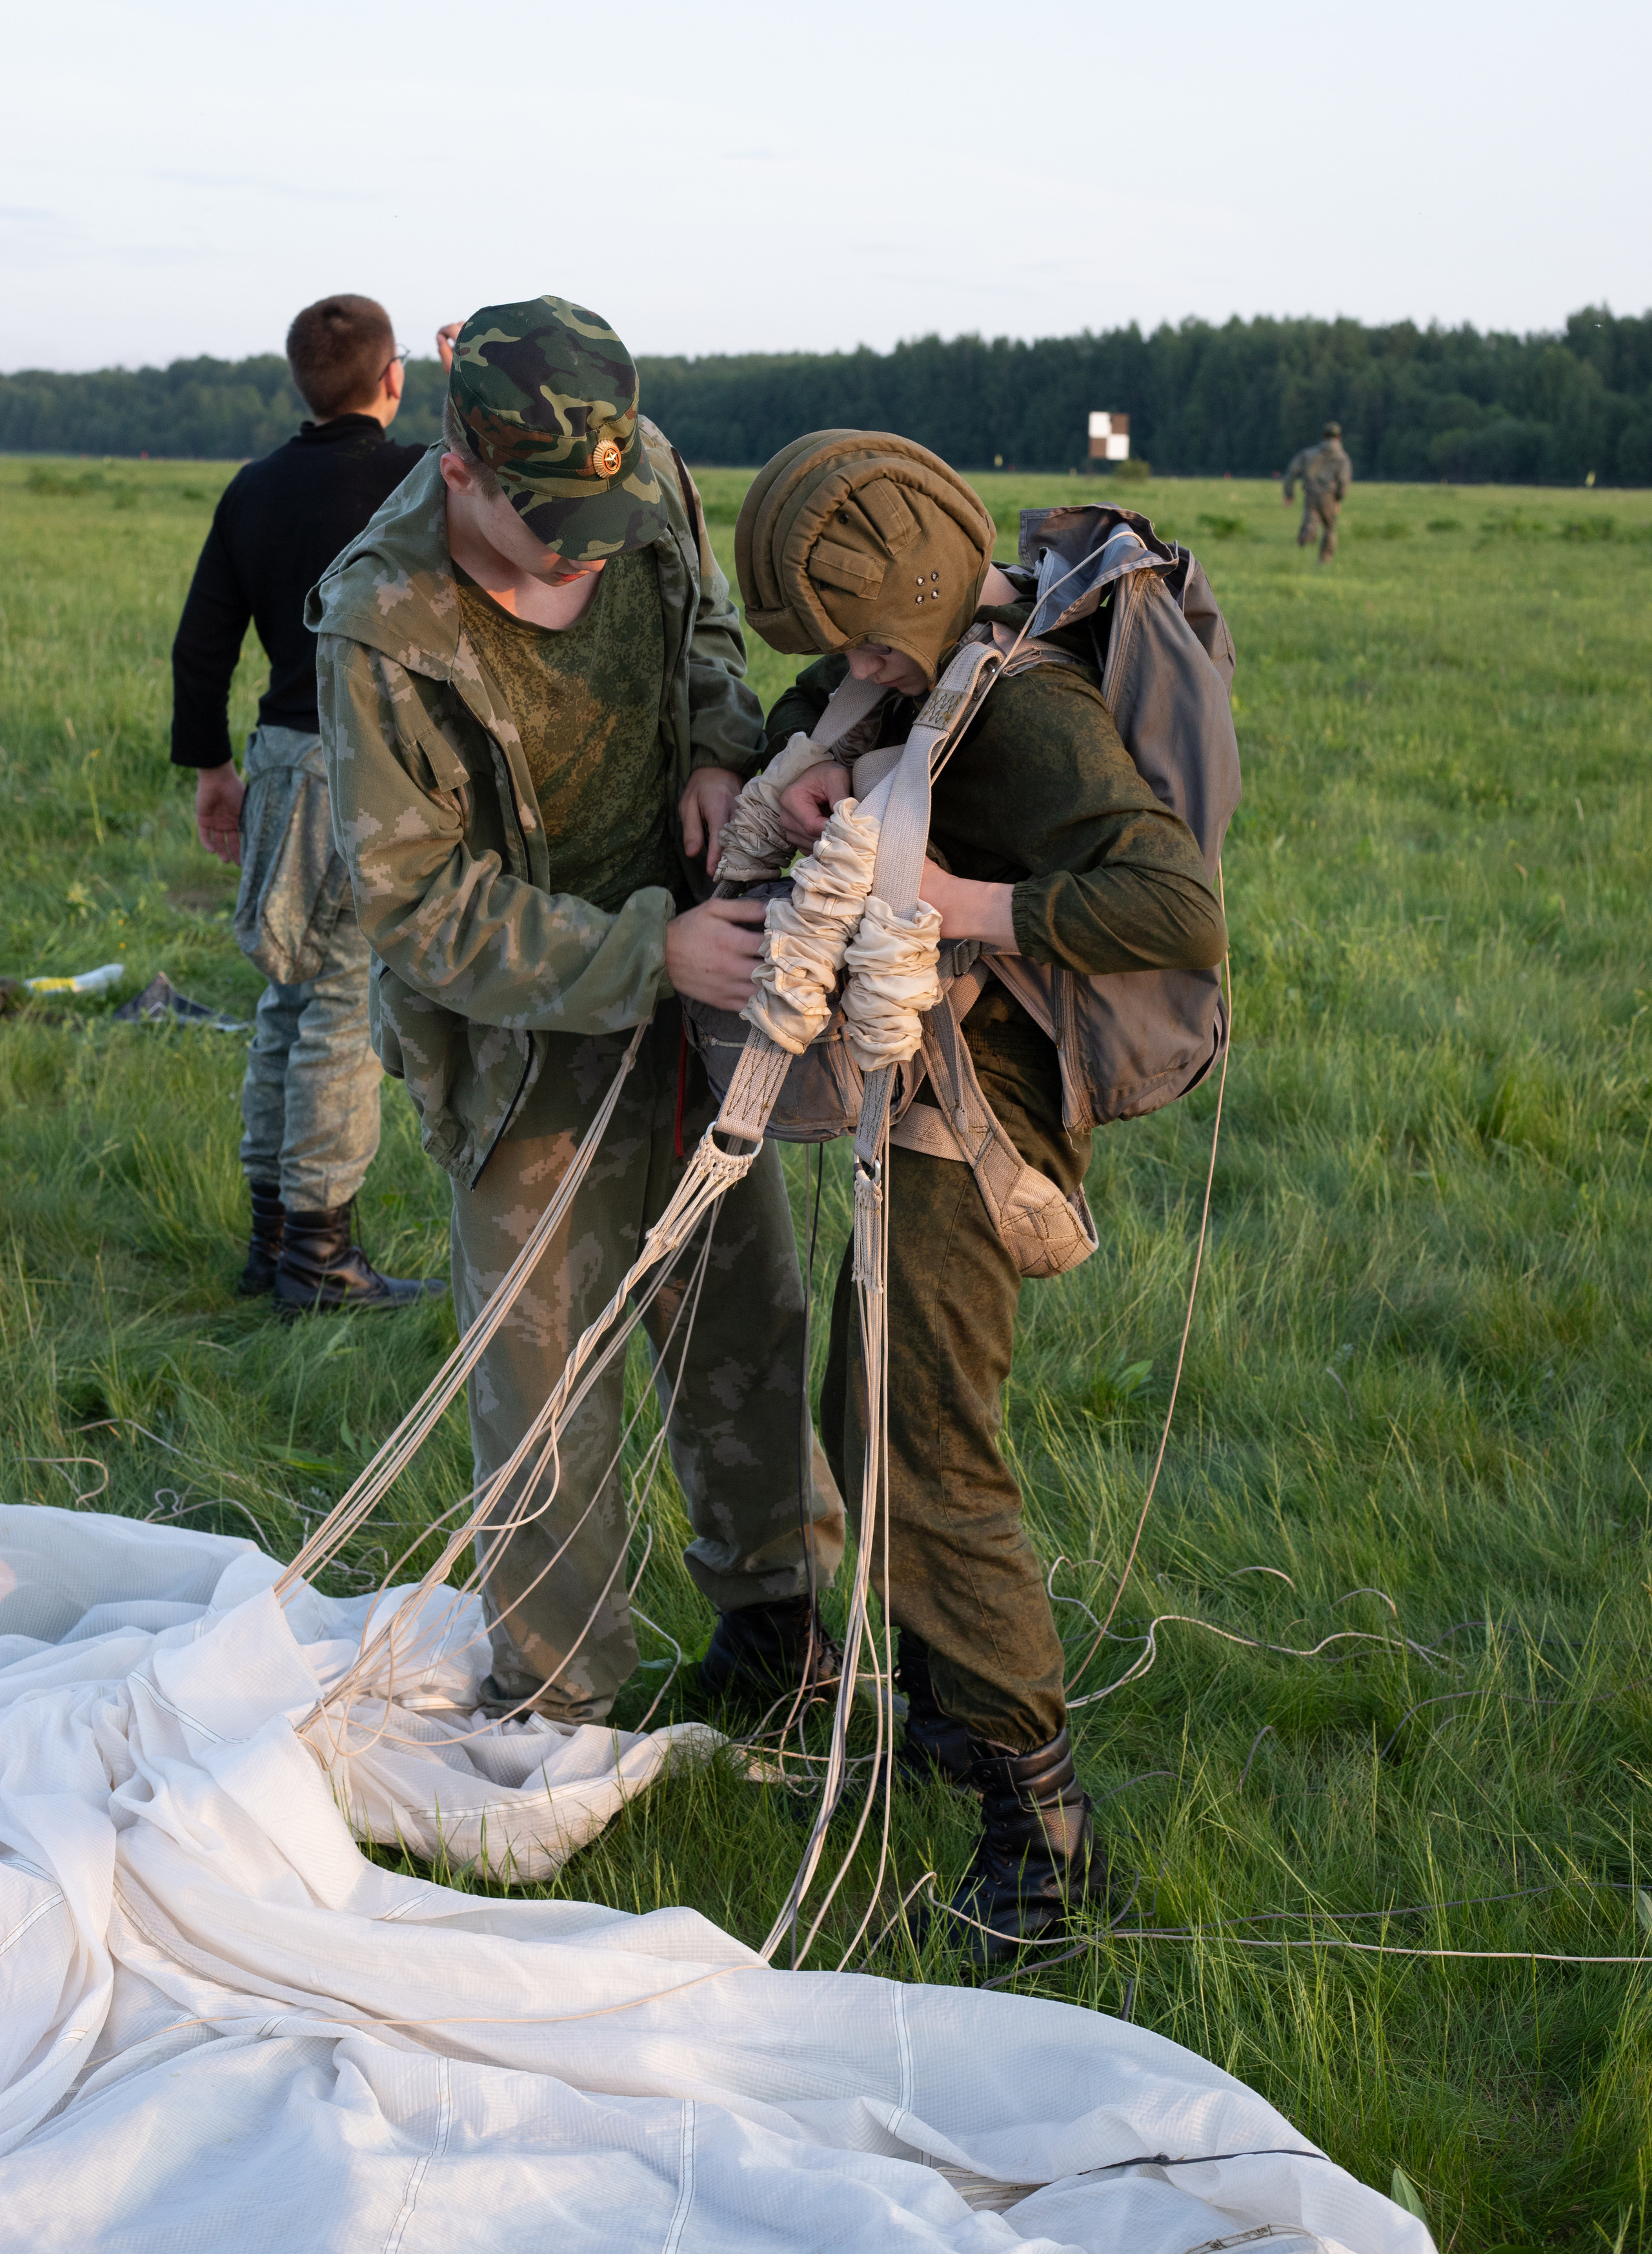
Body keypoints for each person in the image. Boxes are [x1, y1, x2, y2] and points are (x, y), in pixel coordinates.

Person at [307, 294, 845, 1725]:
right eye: (548, 525)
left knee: (743, 1310)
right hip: (523, 1036)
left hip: (698, 981)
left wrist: (723, 750)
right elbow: (412, 904)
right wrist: (638, 959)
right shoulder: (382, 621)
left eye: (597, 516)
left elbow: (705, 636)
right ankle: (558, 1709)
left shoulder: (636, 471)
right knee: (544, 1381)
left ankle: (777, 1635)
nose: (579, 551)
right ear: (463, 465)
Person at [739, 429, 1228, 1962]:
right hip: (922, 1076)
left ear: (917, 585)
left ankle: (1040, 1819)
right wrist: (824, 770)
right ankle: (951, 1719)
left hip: (986, 1108)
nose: (853, 666)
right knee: (857, 1410)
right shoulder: (927, 671)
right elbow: (834, 716)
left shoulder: (1022, 707)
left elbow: (1174, 905)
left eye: (864, 635)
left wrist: (955, 902)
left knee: (922, 1437)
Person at [170, 293, 456, 1317]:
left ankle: (271, 1241)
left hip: (280, 758)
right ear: (392, 379)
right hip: (363, 767)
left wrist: (214, 769)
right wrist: (469, 390)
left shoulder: (253, 489)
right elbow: (504, 482)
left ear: (302, 381)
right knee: (341, 999)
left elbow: (202, 645)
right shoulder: (416, 478)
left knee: (283, 998)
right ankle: (321, 1261)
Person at [1282, 420, 1353, 559]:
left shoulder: (1308, 454)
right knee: (1329, 528)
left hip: (1310, 494)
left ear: (1323, 436)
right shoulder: (1342, 458)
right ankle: (1325, 560)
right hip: (1329, 496)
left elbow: (1292, 472)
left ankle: (1300, 551)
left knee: (1310, 522)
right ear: (1339, 438)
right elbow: (1344, 481)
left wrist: (1289, 493)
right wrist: (1338, 499)